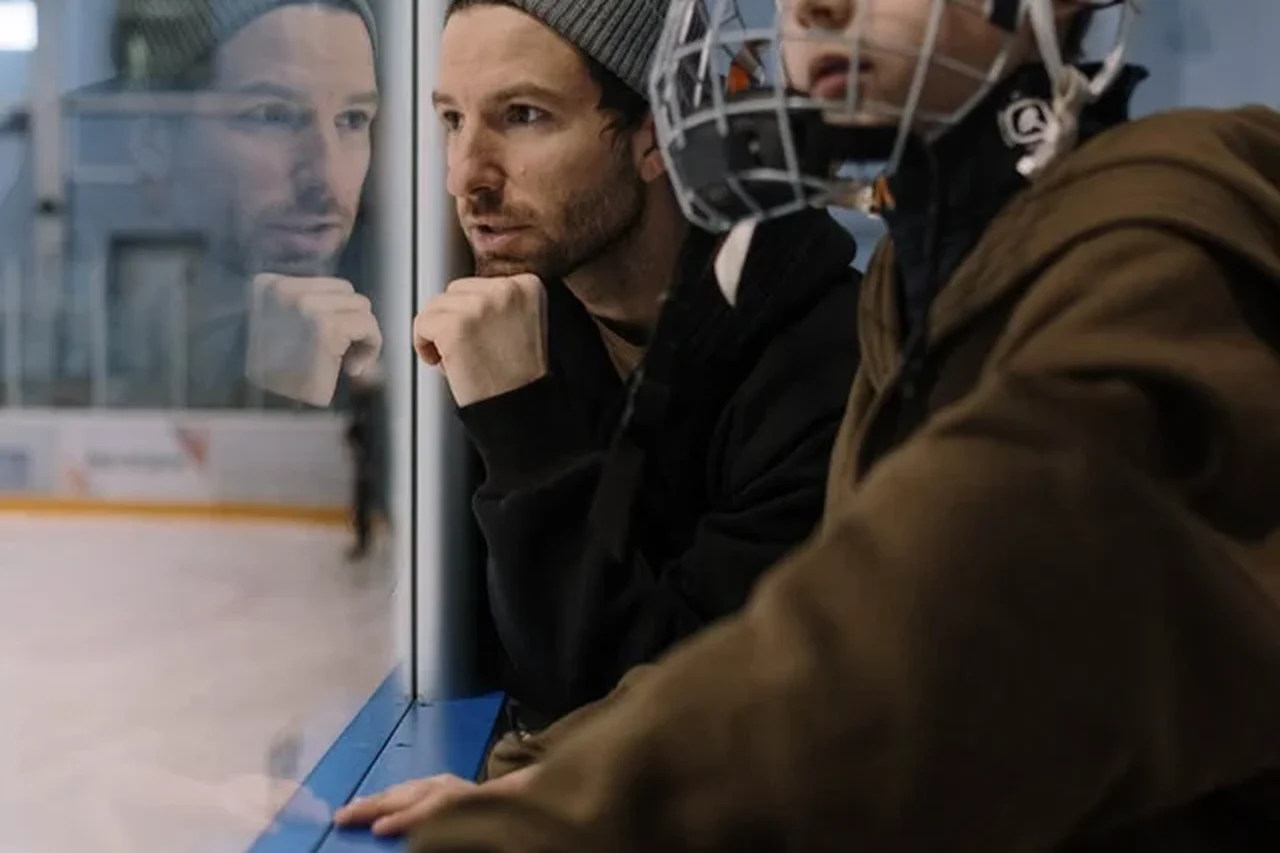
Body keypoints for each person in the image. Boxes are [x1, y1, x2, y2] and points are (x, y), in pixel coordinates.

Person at [347, 0, 1280, 849]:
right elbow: (787, 643)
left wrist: (553, 814)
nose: (812, 9)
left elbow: (897, 638)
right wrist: (552, 768)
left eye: (522, 114)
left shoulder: (1151, 250)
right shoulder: (916, 285)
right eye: (449, 119)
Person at [413, 0, 860, 736]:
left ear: (658, 136)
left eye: (523, 116)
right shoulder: (512, 318)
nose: (467, 177)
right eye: (452, 120)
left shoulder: (824, 366)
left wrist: (521, 429)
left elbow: (649, 711)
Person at [107, 0, 384, 408]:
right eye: (273, 116)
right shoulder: (64, 341)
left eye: (353, 119)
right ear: (153, 140)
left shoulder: (412, 352)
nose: (326, 177)